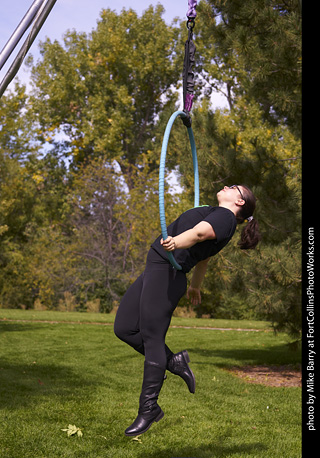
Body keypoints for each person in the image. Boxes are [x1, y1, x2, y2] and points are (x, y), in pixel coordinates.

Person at [114, 184, 261, 437]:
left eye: (233, 187)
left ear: (239, 201)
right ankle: (174, 361)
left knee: (152, 338)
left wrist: (176, 242)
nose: (226, 185)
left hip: (167, 272)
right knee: (124, 328)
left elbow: (200, 234)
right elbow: (203, 257)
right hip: (159, 268)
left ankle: (148, 408)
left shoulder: (226, 217)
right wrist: (195, 286)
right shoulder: (218, 213)